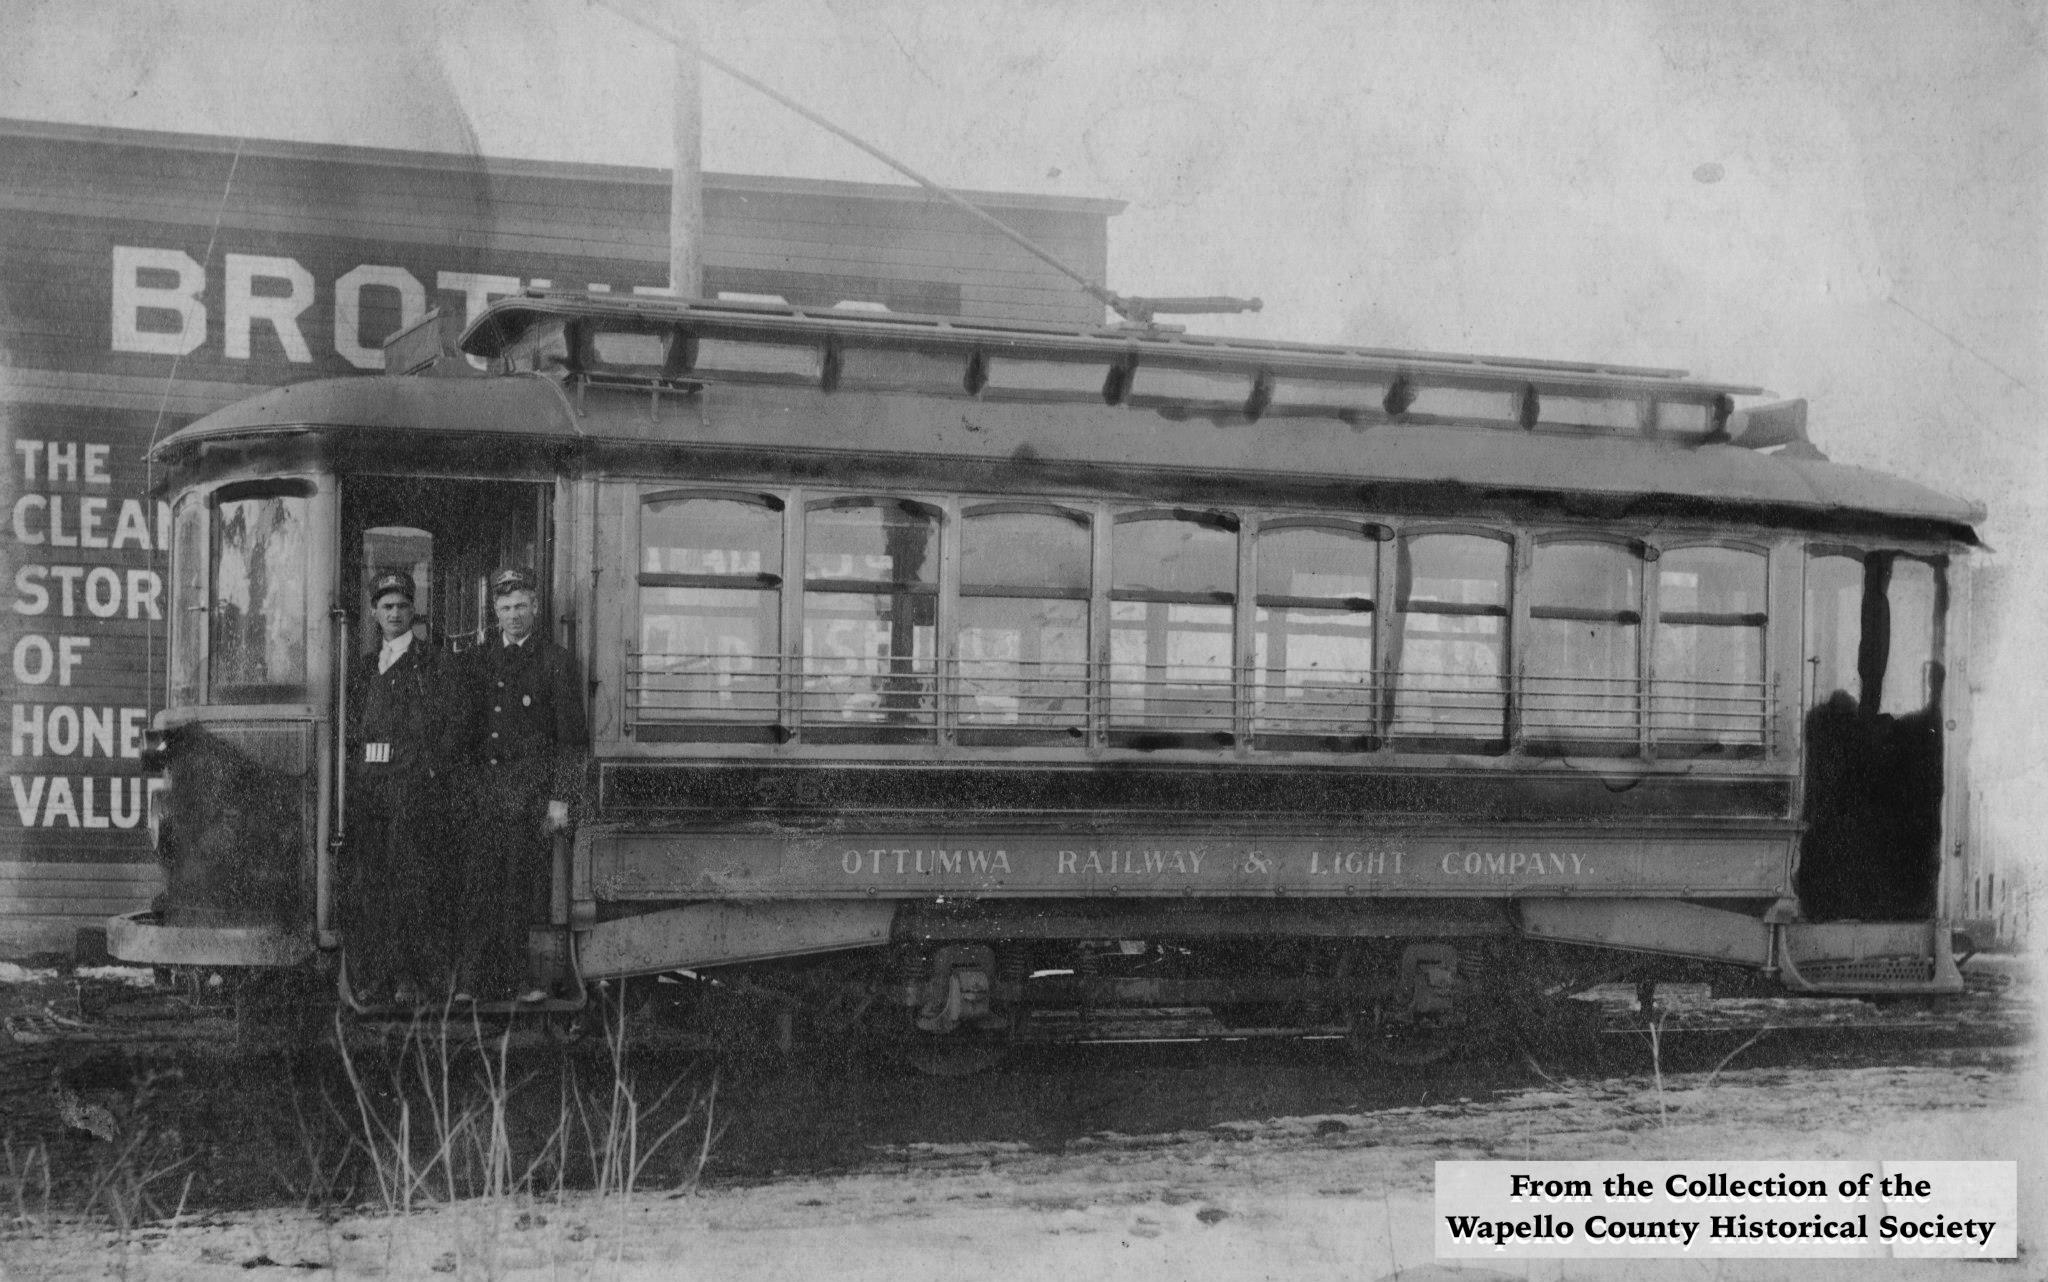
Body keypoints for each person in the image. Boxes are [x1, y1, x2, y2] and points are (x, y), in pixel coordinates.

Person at [455, 567, 588, 1003]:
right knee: (479, 886)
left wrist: (560, 801)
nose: (513, 615)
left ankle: (517, 982)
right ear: (495, 611)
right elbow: (468, 731)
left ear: (535, 606)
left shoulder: (555, 662)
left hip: (528, 794)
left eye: (520, 606)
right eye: (505, 607)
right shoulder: (480, 660)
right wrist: (468, 785)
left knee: (519, 889)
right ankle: (472, 985)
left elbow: (571, 740)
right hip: (484, 793)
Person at [344, 570, 457, 1005]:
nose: (394, 613)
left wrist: (429, 773)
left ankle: (417, 980)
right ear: (374, 612)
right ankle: (375, 978)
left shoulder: (436, 663)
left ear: (414, 612)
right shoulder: (362, 668)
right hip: (371, 794)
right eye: (387, 606)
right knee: (373, 884)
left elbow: (453, 726)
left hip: (415, 793)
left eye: (402, 606)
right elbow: (350, 730)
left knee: (415, 885)